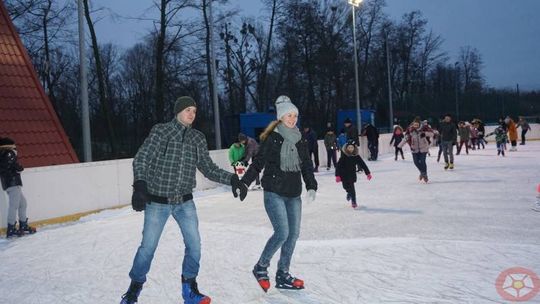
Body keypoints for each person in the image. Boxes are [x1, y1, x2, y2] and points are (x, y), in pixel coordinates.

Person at [120, 96, 248, 304]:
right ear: (178, 111)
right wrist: (140, 185)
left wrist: (233, 179)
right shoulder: (161, 131)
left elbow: (208, 168)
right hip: (158, 201)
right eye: (188, 110)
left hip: (184, 202)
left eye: (195, 111)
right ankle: (134, 289)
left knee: (194, 245)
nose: (192, 114)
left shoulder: (197, 138)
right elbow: (142, 158)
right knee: (148, 247)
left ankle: (189, 288)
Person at [241, 95, 317, 293]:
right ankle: (261, 267)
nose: (292, 119)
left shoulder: (300, 139)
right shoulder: (272, 138)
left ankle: (283, 274)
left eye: (295, 115)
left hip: (293, 193)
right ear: (281, 117)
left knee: (293, 235)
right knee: (282, 232)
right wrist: (244, 183)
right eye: (289, 115)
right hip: (274, 192)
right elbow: (258, 163)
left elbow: (306, 165)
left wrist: (311, 186)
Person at [0, 137, 36, 238]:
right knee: (14, 206)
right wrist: (18, 168)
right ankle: (11, 228)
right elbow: (8, 167)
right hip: (12, 183)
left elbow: (6, 167)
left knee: (22, 204)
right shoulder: (8, 153)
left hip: (11, 183)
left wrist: (16, 167)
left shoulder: (4, 154)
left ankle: (23, 225)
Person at [335, 140, 372, 208]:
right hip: (344, 175)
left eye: (352, 148)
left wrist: (368, 173)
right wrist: (337, 175)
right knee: (345, 187)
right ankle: (349, 193)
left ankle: (354, 201)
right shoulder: (344, 156)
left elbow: (363, 164)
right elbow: (338, 166)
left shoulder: (356, 156)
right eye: (349, 148)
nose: (350, 149)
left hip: (352, 174)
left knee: (352, 188)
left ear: (354, 148)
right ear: (346, 148)